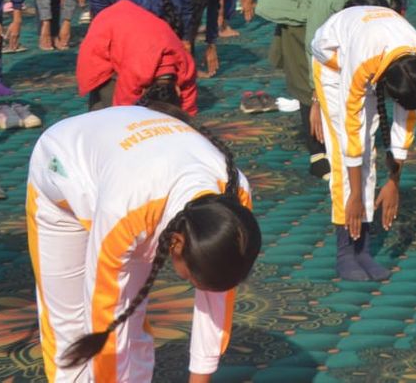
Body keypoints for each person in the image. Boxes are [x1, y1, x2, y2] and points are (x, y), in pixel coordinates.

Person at [27, 104, 260, 382]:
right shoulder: (125, 210)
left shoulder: (235, 200)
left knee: (132, 321)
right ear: (176, 242)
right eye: (192, 279)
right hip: (62, 170)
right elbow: (104, 313)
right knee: (71, 326)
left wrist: (200, 377)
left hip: (131, 168)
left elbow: (218, 298)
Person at [310, 5, 416, 280]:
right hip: (335, 60)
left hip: (375, 59)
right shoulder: (364, 60)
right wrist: (353, 194)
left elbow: (404, 122)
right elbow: (352, 130)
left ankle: (362, 248)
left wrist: (394, 182)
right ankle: (345, 252)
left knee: (370, 152)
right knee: (347, 152)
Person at [255, 0, 390, 177]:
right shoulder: (328, 0)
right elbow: (313, 46)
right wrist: (316, 98)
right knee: (306, 74)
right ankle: (317, 154)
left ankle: (340, 134)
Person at [76, 0, 198, 113]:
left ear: (178, 89)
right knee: (107, 112)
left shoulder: (186, 67)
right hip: (107, 27)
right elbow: (124, 110)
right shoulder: (138, 71)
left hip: (137, 32)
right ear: (144, 90)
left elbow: (188, 107)